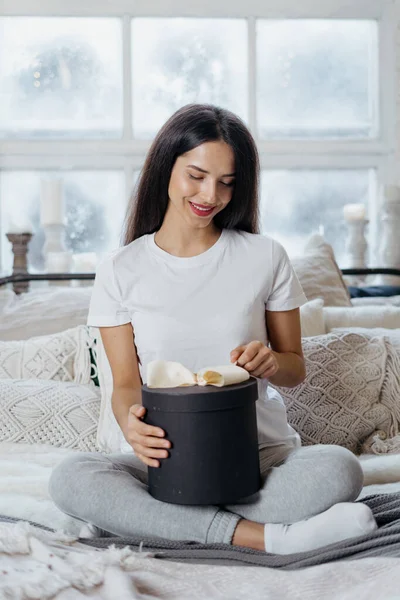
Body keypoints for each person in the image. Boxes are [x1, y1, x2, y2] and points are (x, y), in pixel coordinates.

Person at [49, 103, 377, 555]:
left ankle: (153, 523)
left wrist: (270, 362)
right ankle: (267, 537)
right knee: (72, 479)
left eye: (227, 182)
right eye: (196, 176)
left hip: (261, 455)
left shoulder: (265, 256)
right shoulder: (121, 269)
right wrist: (131, 426)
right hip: (166, 460)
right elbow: (126, 385)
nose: (211, 195)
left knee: (340, 469)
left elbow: (293, 368)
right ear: (166, 168)